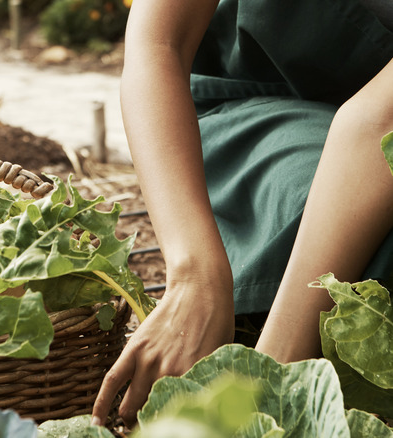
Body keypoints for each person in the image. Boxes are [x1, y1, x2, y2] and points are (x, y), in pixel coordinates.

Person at [91, 0, 393, 428]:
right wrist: (197, 275)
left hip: (377, 132)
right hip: (251, 102)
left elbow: (378, 128)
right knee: (339, 241)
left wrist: (265, 389)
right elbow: (159, 41)